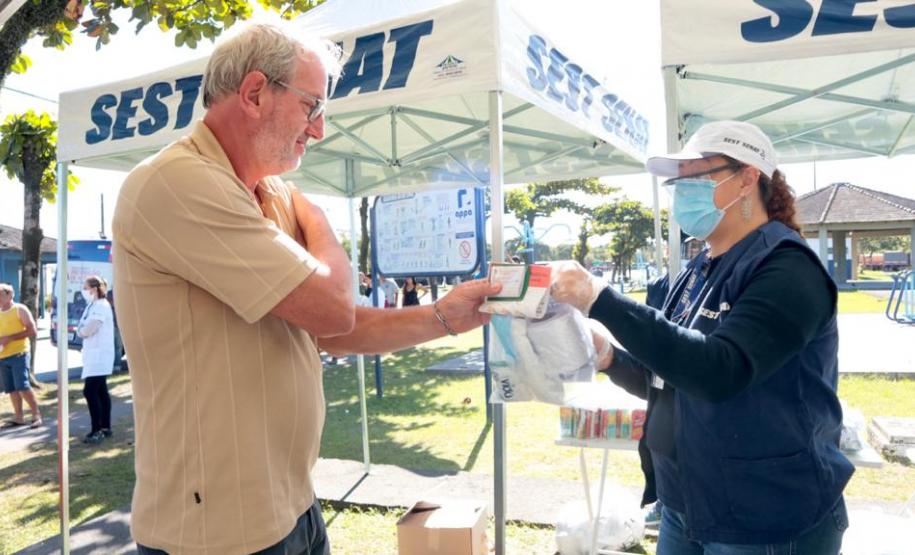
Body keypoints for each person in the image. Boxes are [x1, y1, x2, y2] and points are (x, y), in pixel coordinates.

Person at [112, 24, 499, 555]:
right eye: (312, 106)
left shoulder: (260, 190)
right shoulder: (176, 182)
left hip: (288, 505)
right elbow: (335, 308)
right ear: (252, 93)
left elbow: (332, 329)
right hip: (220, 532)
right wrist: (317, 221)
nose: (317, 130)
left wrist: (447, 316)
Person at [551, 121, 851, 554]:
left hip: (762, 515)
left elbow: (719, 371)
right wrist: (609, 358)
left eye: (695, 176)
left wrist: (602, 300)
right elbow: (672, 375)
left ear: (748, 178)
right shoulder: (698, 269)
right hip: (686, 501)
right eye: (678, 180)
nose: (681, 190)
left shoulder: (788, 269)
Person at [77, 276, 115, 444]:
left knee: (90, 391)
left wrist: (82, 332)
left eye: (85, 287)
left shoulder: (100, 305)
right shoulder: (94, 304)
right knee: (101, 391)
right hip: (95, 355)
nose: (83, 290)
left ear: (93, 288)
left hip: (99, 356)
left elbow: (92, 325)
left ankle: (96, 430)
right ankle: (105, 427)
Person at [0, 283, 41, 429]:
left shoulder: (19, 309)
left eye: (0, 294)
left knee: (22, 386)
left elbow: (32, 331)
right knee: (11, 389)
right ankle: (19, 417)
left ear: (10, 295)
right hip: (3, 357)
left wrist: (9, 338)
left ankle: (36, 415)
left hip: (19, 354)